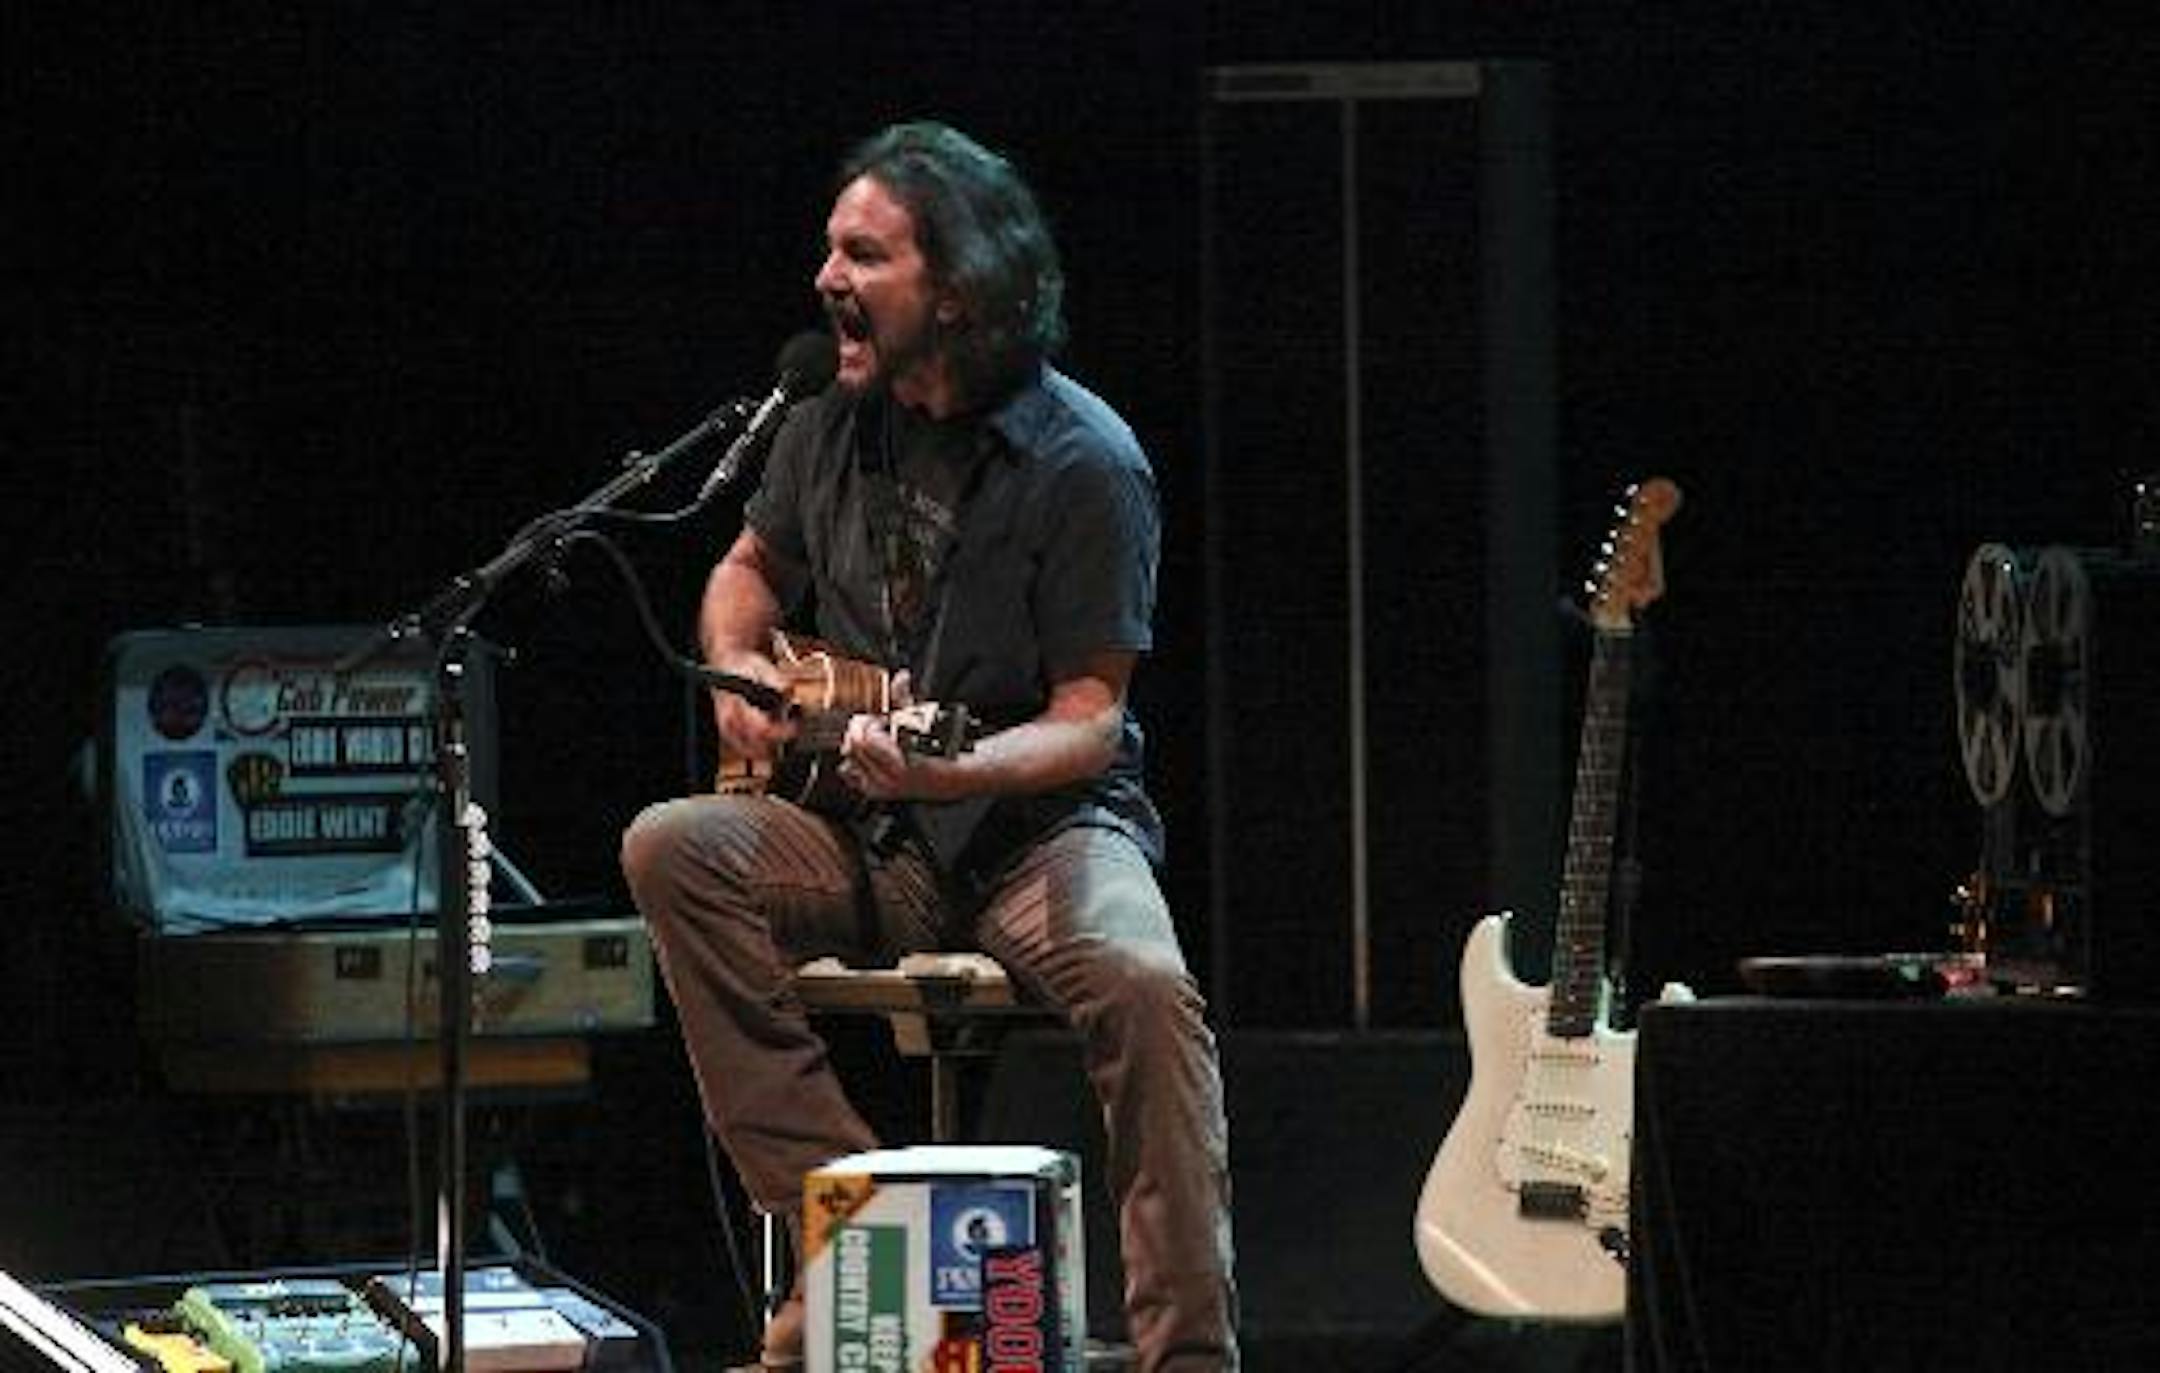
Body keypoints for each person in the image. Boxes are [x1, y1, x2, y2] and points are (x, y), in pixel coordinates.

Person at [620, 121, 1239, 1372]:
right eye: (829, 249)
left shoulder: (1086, 462)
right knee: (673, 848)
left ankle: (1189, 1350)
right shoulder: (824, 420)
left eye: (864, 254)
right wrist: (739, 665)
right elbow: (747, 570)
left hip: (1042, 835)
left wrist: (954, 770)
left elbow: (1090, 719)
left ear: (955, 288)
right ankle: (859, 1236)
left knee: (1143, 984)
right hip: (869, 833)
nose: (826, 278)